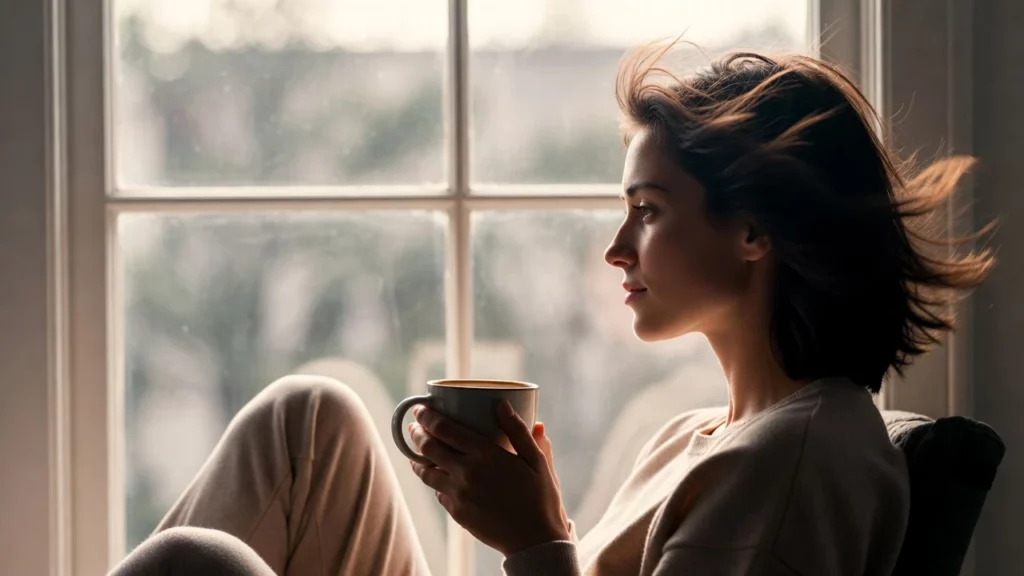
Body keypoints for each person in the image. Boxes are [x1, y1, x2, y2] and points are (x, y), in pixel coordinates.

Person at [111, 42, 994, 576]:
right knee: (310, 422)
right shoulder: (702, 436)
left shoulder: (795, 464)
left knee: (196, 564)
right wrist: (540, 526)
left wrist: (533, 542)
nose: (617, 248)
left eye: (648, 212)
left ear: (755, 229)